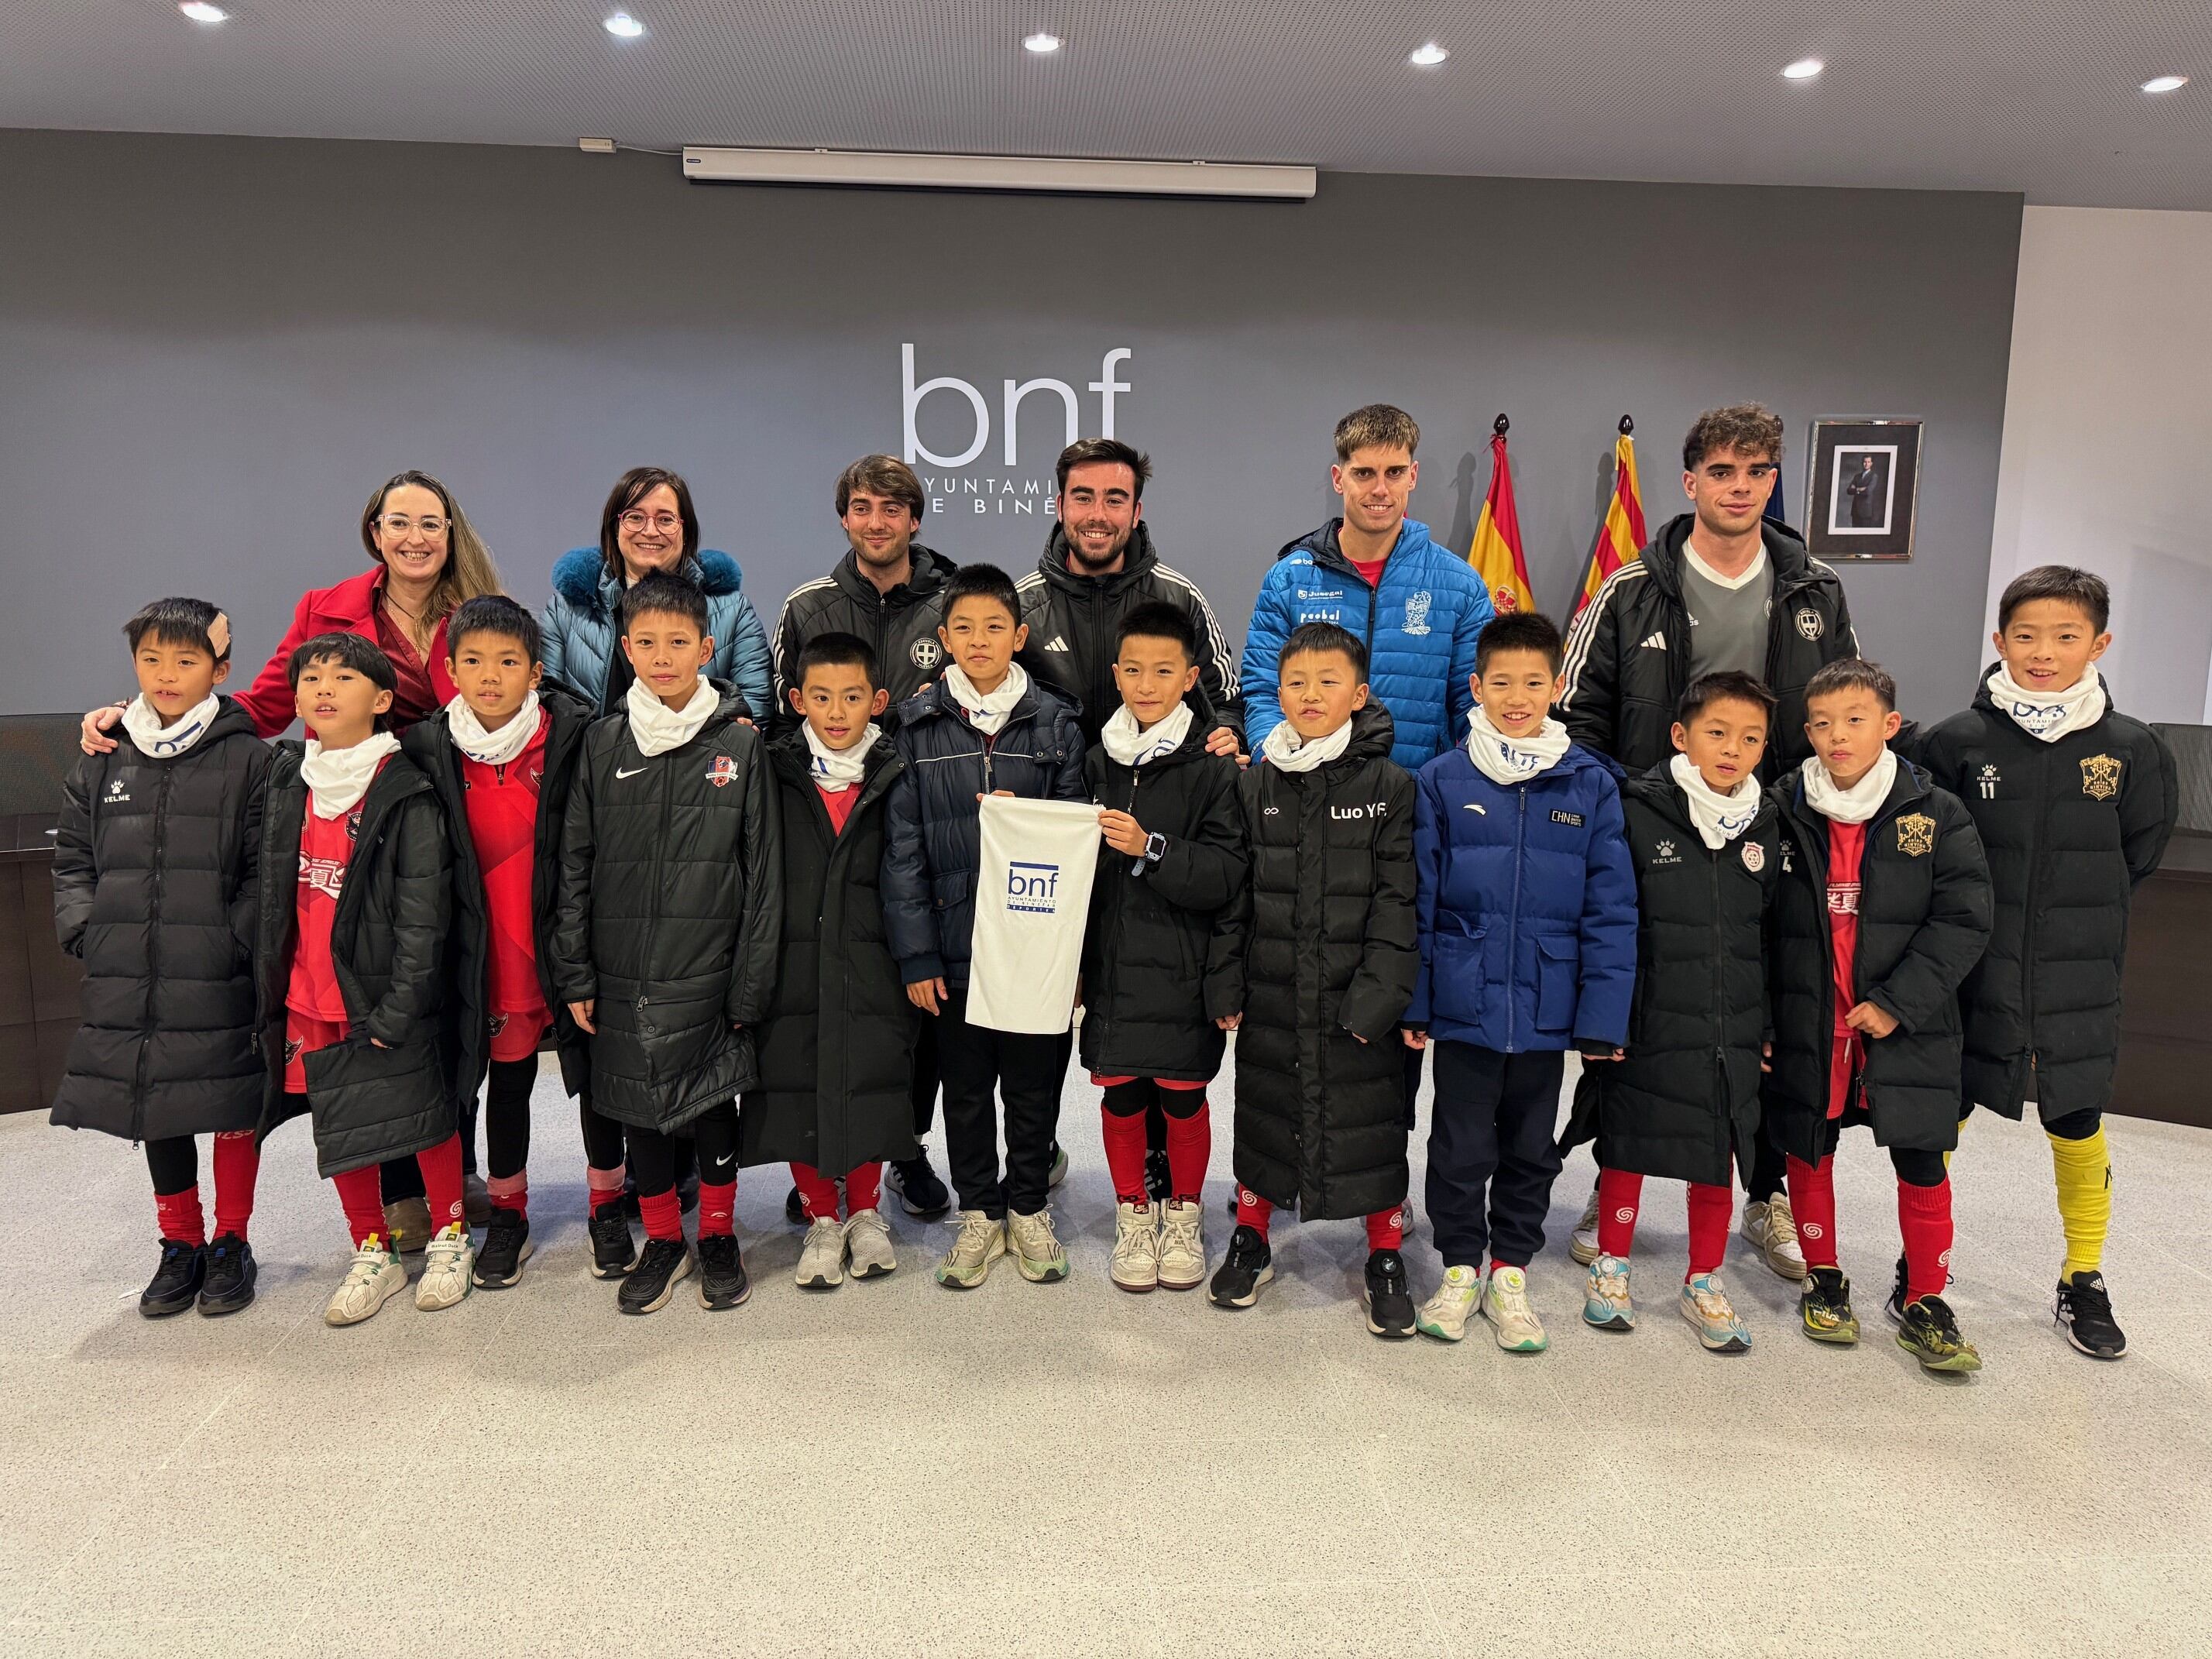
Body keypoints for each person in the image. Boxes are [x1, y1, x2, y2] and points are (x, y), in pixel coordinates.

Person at [73, 471, 504, 1246]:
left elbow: (509, 693)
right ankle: (402, 1187)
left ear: (452, 532)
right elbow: (271, 700)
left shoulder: (476, 611)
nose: (415, 536)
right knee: (379, 999)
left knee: (443, 996)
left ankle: (457, 1166)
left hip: (457, 816)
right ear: (374, 530)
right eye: (398, 520)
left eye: (431, 523)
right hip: (355, 818)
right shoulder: (327, 609)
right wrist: (143, 717)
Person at [1558, 404, 1860, 1282]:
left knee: (1764, 1017)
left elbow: (1843, 711)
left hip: (1777, 845)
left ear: (1774, 481)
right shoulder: (1629, 587)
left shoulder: (1817, 588)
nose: (1740, 488)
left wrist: (1800, 812)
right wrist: (1641, 810)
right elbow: (1579, 721)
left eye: (1757, 472)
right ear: (1689, 482)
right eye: (1722, 472)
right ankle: (1612, 1187)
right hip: (1660, 848)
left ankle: (1764, 1193)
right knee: (1645, 1017)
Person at [1915, 565, 2178, 1359]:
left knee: (2077, 1115)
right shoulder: (1956, 740)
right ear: (1999, 642)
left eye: (2066, 637)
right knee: (1943, 1113)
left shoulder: (2133, 749)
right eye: (2026, 636)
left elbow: (2140, 851)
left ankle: (2083, 1277)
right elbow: (1929, 848)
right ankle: (1923, 1273)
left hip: (2077, 966)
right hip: (1970, 961)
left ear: (2098, 644)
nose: (2043, 652)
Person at [1018, 437, 1245, 1204]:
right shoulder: (1025, 604)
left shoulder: (1180, 596)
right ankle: (1037, 1150)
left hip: (1154, 839)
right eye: (1084, 497)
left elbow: (1229, 697)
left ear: (1137, 510)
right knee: (1061, 1013)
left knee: (1154, 1018)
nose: (1099, 513)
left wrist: (1231, 733)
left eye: (1116, 499)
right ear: (1060, 504)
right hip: (1057, 842)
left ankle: (1160, 1171)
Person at [1402, 612, 1637, 1353]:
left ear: (1557, 687)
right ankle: (1461, 1266)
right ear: (1476, 686)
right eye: (1500, 681)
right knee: (1460, 1142)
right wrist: (1416, 998)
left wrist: (1603, 1019)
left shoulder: (1590, 785)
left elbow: (1611, 908)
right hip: (1465, 1005)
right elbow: (1420, 898)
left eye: (1534, 682)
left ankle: (1510, 1269)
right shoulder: (1442, 779)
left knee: (1533, 1146)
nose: (1516, 695)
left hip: (1549, 1005)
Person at [551, 572, 782, 1315]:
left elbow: (762, 880)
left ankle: (716, 1234)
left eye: (678, 643)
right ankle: (661, 1239)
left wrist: (748, 988)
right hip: (619, 975)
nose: (662, 656)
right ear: (625, 648)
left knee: (711, 1107)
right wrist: (577, 972)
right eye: (646, 643)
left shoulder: (740, 749)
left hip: (708, 976)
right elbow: (575, 863)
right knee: (636, 1111)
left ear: (707, 649)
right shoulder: (602, 743)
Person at [1765, 658, 1991, 1372]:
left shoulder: (1937, 811)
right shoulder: (1780, 805)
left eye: (1856, 720)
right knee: (1811, 1146)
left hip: (1907, 1022)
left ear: (1890, 726)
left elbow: (1965, 917)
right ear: (1806, 731)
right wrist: (1767, 1017)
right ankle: (1824, 1277)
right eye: (1823, 723)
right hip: (1811, 1016)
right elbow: (1752, 919)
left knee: (1923, 1159)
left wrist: (1899, 1003)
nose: (1838, 736)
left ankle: (1925, 1297)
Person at [50, 598, 273, 1317]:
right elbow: (73, 854)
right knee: (160, 1107)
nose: (167, 675)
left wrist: (236, 938)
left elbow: (262, 866)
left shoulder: (250, 757)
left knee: (234, 1102)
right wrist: (87, 928)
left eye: (186, 661)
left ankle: (232, 1241)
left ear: (220, 669)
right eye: (151, 660)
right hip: (130, 969)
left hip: (217, 967)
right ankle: (181, 1244)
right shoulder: (104, 753)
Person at [1558, 671, 1782, 1352]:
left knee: (1716, 1157)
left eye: (1750, 739)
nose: (1732, 749)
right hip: (1647, 1016)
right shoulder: (1635, 806)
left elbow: (1776, 934)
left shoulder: (1769, 821)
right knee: (1629, 1142)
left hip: (1731, 1024)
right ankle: (1613, 1264)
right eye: (1717, 733)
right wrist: (1603, 1016)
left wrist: (1767, 1022)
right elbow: (1603, 917)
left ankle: (1704, 1280)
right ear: (1682, 736)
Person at [1207, 622, 1419, 1335]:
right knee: (1266, 1115)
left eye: (1329, 682)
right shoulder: (1257, 782)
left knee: (1372, 1126)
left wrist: (1380, 995)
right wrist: (1227, 982)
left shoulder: (1391, 787)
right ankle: (1253, 1233)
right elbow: (1236, 895)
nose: (1310, 695)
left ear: (1358, 695)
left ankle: (1385, 1250)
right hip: (1270, 991)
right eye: (1296, 682)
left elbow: (1398, 901)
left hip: (1354, 998)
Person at [252, 633, 469, 1327]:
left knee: (422, 1113)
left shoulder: (405, 791)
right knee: (340, 1121)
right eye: (311, 677)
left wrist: (404, 1000)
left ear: (380, 701)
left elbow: (422, 910)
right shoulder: (289, 781)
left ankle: (450, 1235)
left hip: (383, 993)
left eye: (342, 678)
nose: (322, 689)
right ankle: (369, 1247)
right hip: (308, 993)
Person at [881, 563, 1088, 1290]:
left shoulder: (1057, 725)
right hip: (953, 949)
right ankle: (980, 1210)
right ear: (943, 639)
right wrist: (917, 960)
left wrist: (1072, 962)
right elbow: (902, 852)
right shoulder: (914, 726)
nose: (979, 640)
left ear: (1020, 635)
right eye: (963, 628)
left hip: (1035, 955)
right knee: (965, 1090)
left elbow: (1075, 853)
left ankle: (1028, 1205)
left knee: (1034, 1087)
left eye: (994, 627)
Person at [765, 454, 959, 1223]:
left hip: (926, 823)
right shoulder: (808, 605)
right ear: (844, 517)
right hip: (830, 825)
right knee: (829, 998)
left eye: (892, 509)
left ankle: (902, 1148)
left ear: (914, 519)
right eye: (861, 508)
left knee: (910, 1004)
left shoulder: (953, 599)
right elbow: (781, 720)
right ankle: (823, 1149)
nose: (875, 522)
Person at [400, 596, 603, 1289]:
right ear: (450, 669)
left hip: (570, 943)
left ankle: (607, 1203)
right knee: (507, 1084)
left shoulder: (576, 737)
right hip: (486, 955)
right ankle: (509, 1213)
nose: (491, 676)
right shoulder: (427, 748)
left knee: (597, 1083)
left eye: (509, 661)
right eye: (474, 661)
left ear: (537, 671)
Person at [739, 631, 918, 1290]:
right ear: (796, 700)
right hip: (794, 956)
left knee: (870, 1076)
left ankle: (866, 1209)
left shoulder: (897, 769)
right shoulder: (772, 767)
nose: (837, 712)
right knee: (798, 1077)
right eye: (821, 697)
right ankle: (820, 1215)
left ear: (877, 699)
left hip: (873, 958)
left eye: (851, 697)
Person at [1081, 602, 1247, 1293]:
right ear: (1115, 674)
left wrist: (1151, 848)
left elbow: (1227, 874)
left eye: (1164, 671)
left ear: (1191, 677)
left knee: (1183, 1096)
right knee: (1120, 1095)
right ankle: (1132, 1212)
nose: (1146, 684)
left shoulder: (1213, 764)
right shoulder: (1095, 760)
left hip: (1183, 967)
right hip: (1112, 970)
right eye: (1134, 670)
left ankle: (1183, 1214)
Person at [1241, 404, 1494, 773]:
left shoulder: (1461, 585)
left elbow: (1475, 706)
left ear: (1413, 475)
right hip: (1307, 799)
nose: (1380, 489)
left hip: (1415, 804)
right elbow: (1264, 691)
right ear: (1338, 478)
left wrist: (1452, 790)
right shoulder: (1289, 580)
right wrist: (1273, 765)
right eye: (1364, 473)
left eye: (1394, 472)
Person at [542, 465, 773, 719]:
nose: (650, 531)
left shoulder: (733, 611)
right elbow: (547, 705)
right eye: (635, 517)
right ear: (615, 528)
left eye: (665, 519)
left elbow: (754, 711)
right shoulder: (565, 609)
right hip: (591, 758)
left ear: (686, 532)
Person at [1846, 454, 1883, 529]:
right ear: (1862, 463)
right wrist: (1859, 489)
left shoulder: (1874, 476)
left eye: (1868, 462)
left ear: (1871, 464)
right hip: (1855, 510)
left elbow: (1868, 491)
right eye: (1864, 462)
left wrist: (1856, 489)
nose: (1866, 464)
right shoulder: (1857, 476)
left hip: (1866, 511)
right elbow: (1849, 491)